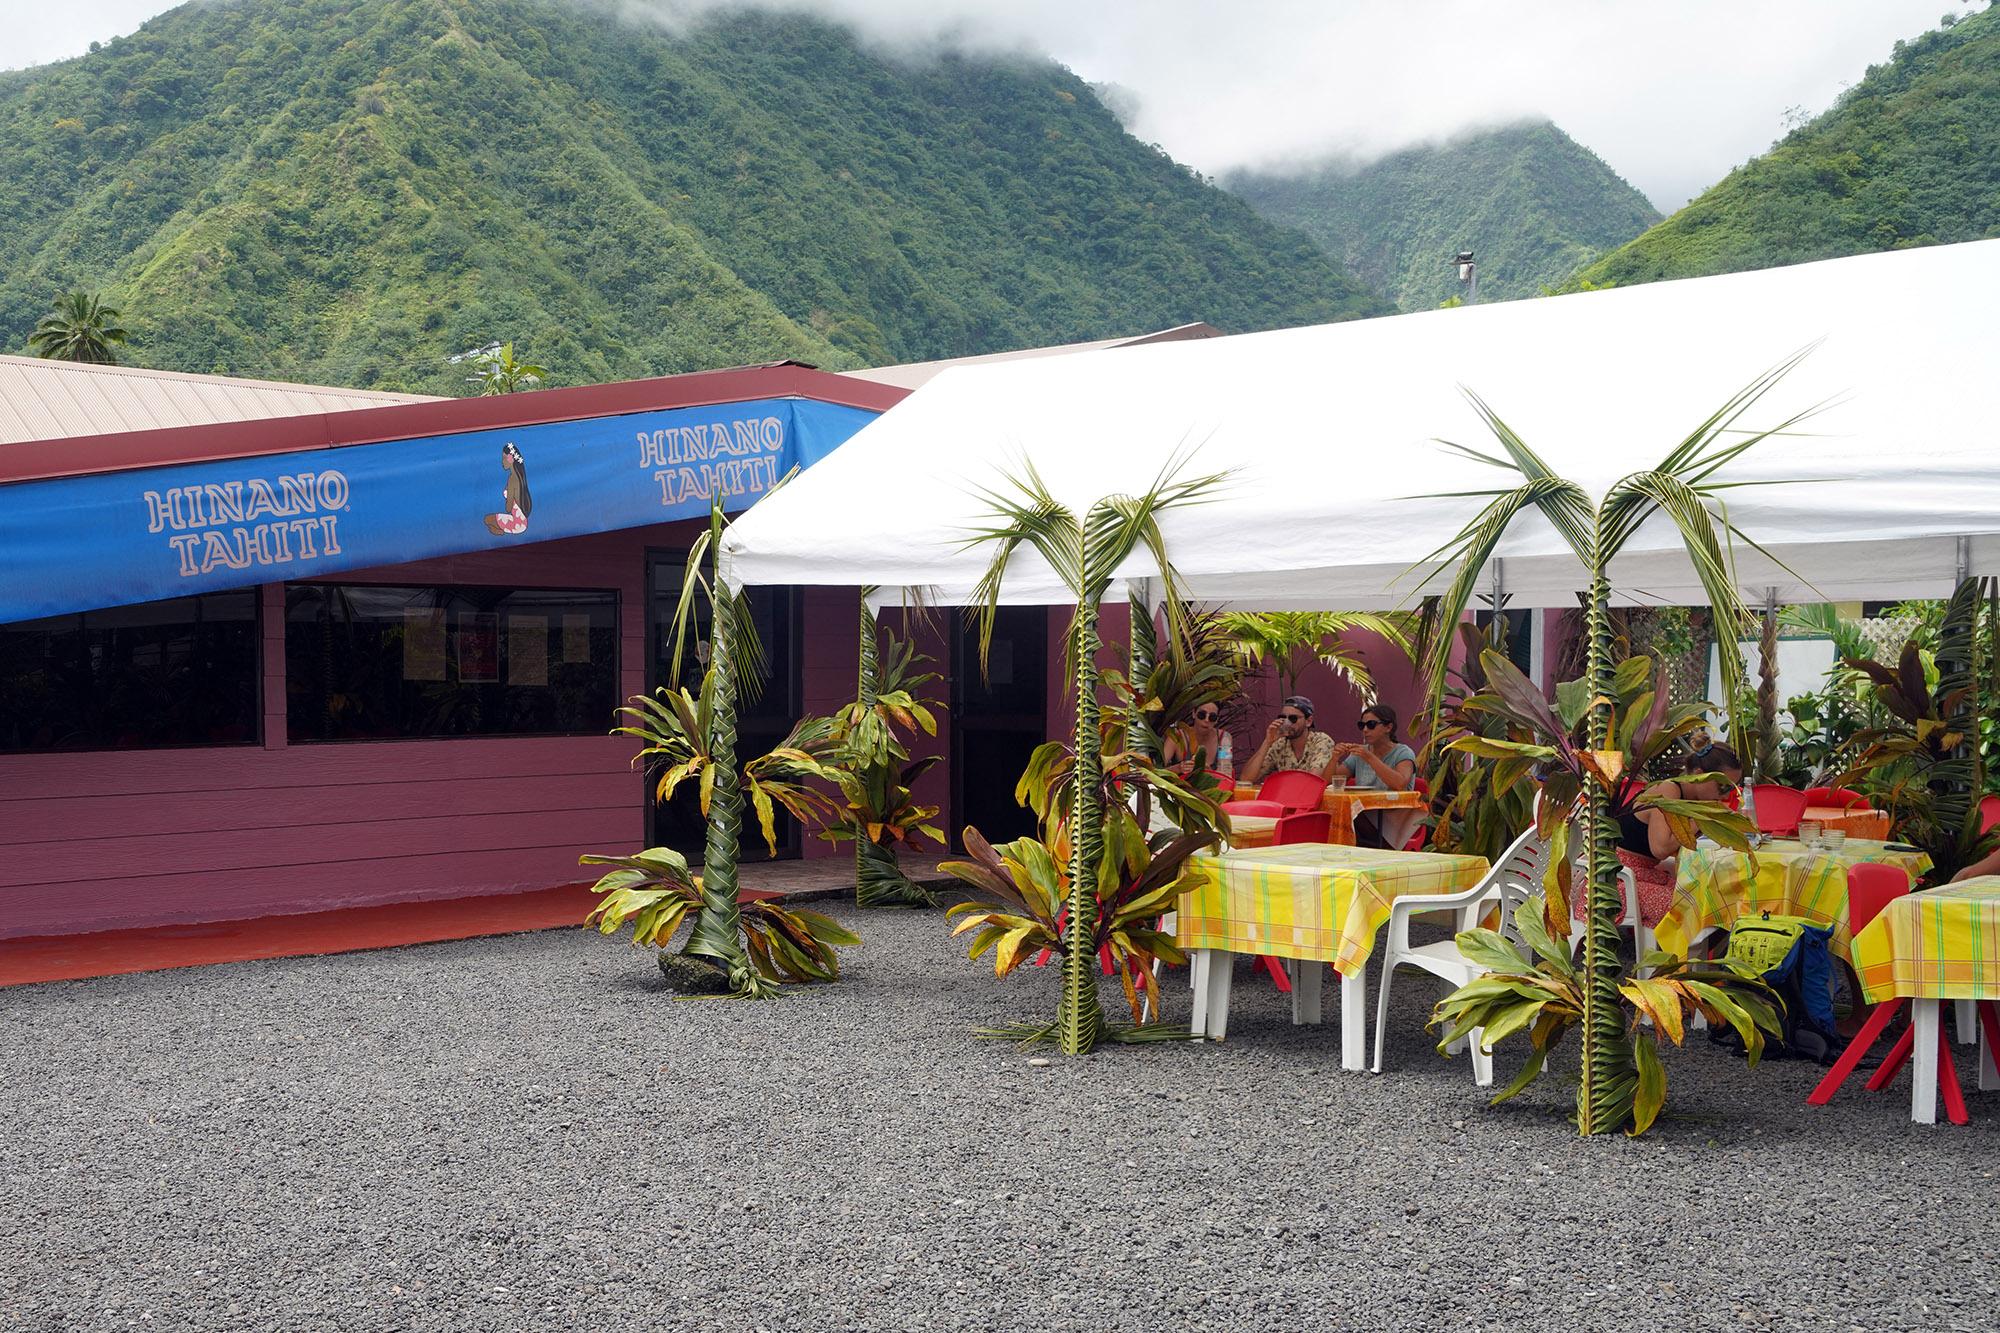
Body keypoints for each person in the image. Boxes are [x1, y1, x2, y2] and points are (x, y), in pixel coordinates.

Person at [1619, 744, 1744, 868]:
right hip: (1624, 875)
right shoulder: (1667, 791)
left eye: (1732, 788)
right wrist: (1701, 817)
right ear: (1700, 776)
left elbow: (1741, 825)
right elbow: (1661, 849)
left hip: (1648, 871)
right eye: (1723, 787)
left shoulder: (1698, 800)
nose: (1727, 796)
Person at [1329, 704, 1417, 847]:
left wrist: (1370, 758)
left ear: (1388, 727)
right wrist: (1334, 758)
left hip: (1395, 819)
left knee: (1348, 816)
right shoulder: (1360, 753)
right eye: (1362, 725)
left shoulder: (1403, 753)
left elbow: (1400, 783)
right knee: (1339, 814)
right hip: (1367, 816)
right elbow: (1331, 781)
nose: (1365, 730)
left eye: (1371, 725)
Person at [1241, 694, 1334, 783]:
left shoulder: (1321, 741)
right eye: (1283, 718)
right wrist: (1267, 742)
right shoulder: (1279, 744)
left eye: (1293, 718)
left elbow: (1311, 781)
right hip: (1286, 797)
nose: (1287, 723)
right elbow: (1246, 779)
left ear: (1308, 721)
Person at [1163, 705, 1233, 779]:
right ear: (1194, 714)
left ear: (1216, 720)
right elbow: (1157, 772)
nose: (1206, 720)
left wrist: (1210, 772)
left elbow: (1226, 774)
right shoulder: (1177, 737)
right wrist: (1178, 769)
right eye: (1201, 715)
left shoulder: (1224, 738)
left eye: (1212, 717)